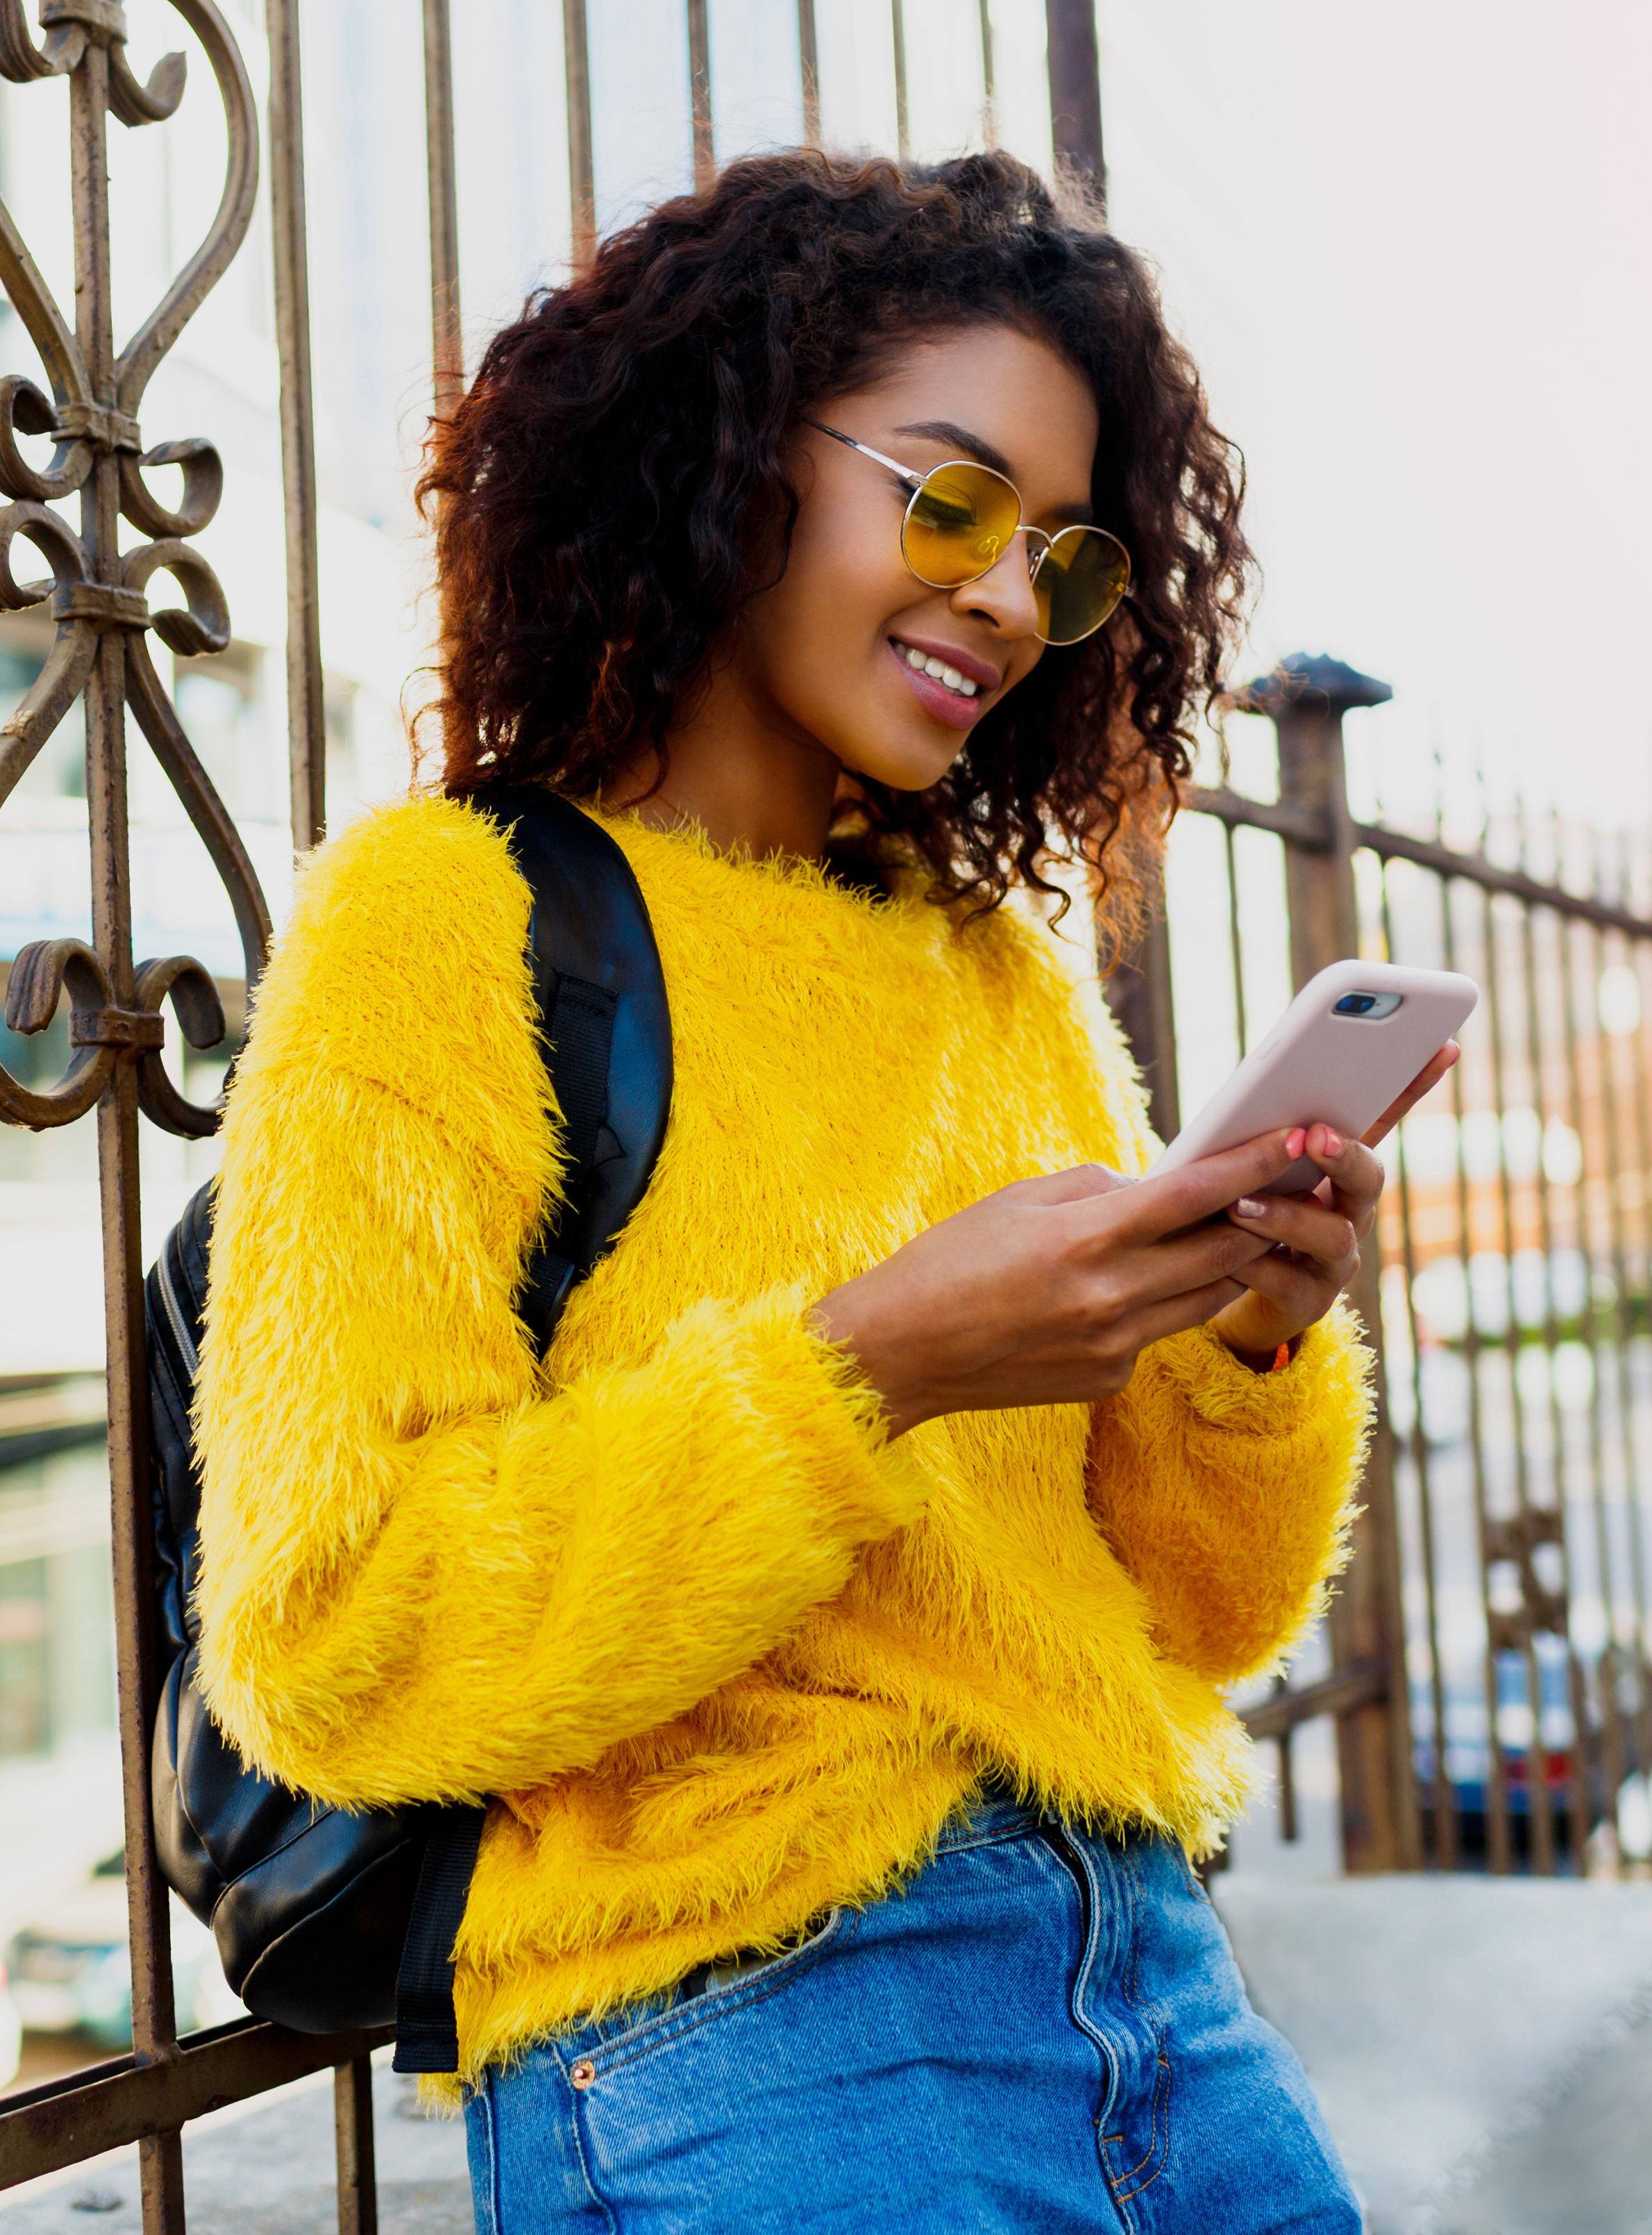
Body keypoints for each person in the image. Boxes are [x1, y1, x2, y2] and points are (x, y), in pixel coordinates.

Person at [194, 151, 1447, 2233]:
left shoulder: (992, 980)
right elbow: (340, 1643)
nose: (997, 596)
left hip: (1151, 1987)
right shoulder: (446, 915)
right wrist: (868, 1369)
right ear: (726, 453)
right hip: (748, 2032)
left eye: (1060, 559)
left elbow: (1201, 1623)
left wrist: (1250, 1336)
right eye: (944, 501)